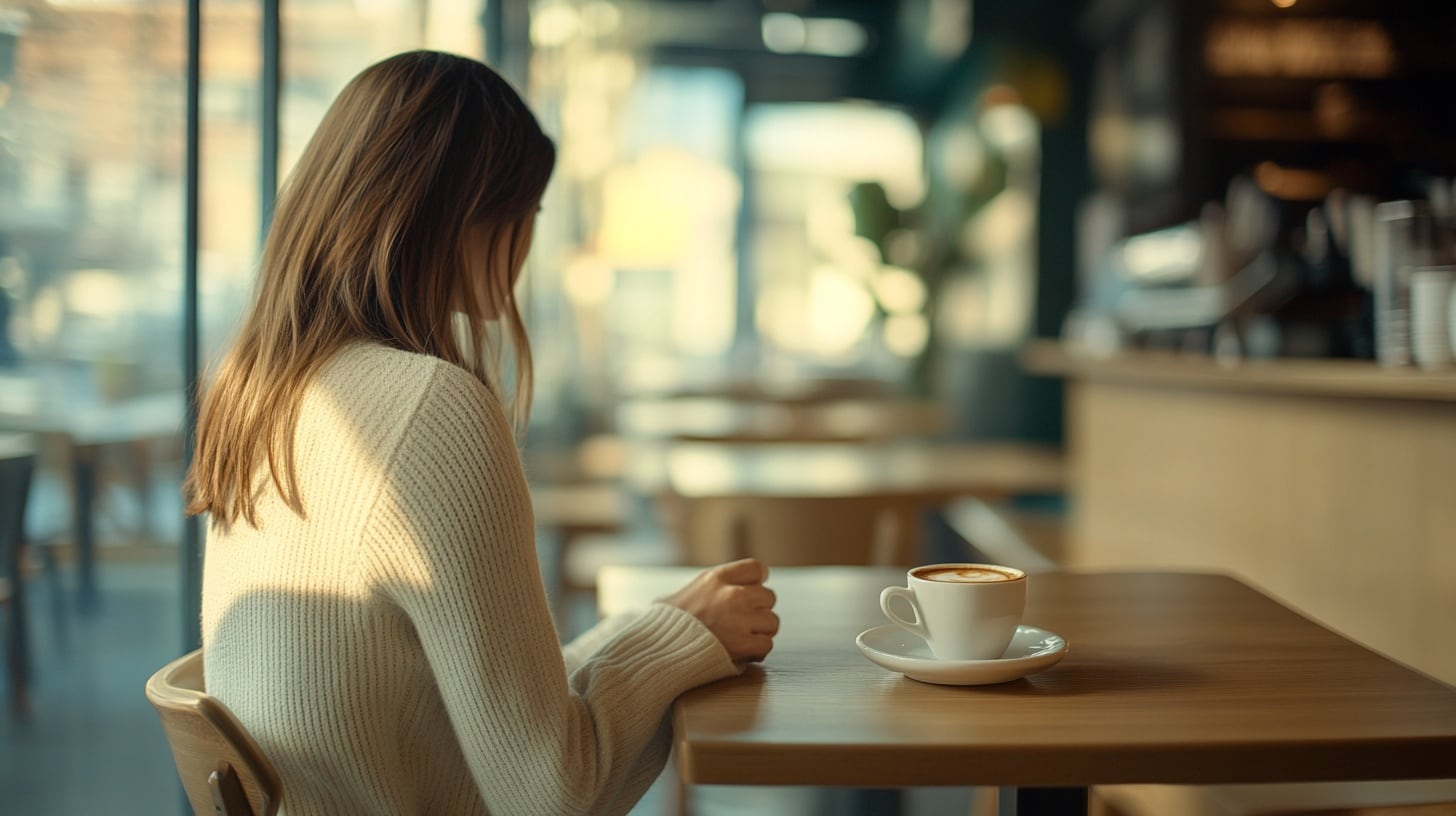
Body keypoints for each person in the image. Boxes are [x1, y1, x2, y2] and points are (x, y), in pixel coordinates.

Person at [183, 50, 778, 816]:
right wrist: (676, 640)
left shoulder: (258, 392)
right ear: (463, 212)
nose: (528, 242)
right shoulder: (430, 407)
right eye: (528, 212)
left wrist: (665, 628)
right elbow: (551, 792)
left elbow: (479, 716)